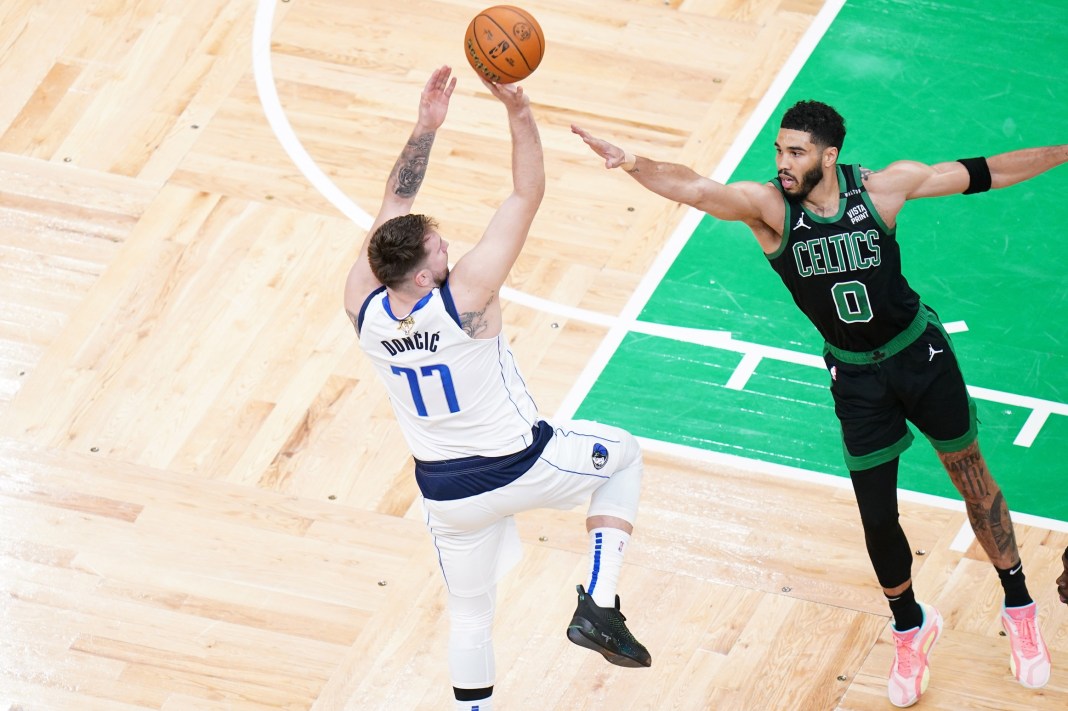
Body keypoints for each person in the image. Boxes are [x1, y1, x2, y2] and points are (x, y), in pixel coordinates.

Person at [573, 106, 1065, 707]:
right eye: (779, 151)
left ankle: (1019, 607)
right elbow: (697, 188)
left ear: (828, 156)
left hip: (920, 357)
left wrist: (1064, 151)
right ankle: (910, 625)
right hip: (857, 380)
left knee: (973, 481)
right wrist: (633, 164)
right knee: (877, 517)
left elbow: (983, 171)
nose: (782, 163)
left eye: (796, 153)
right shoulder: (771, 212)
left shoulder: (882, 190)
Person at [345, 66, 651, 711]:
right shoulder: (465, 297)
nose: (447, 245)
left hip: (445, 493)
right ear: (426, 276)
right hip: (520, 463)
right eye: (438, 249)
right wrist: (517, 109)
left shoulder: (363, 304)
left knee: (470, 613)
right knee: (622, 453)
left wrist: (426, 127)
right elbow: (526, 194)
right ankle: (599, 602)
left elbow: (395, 206)